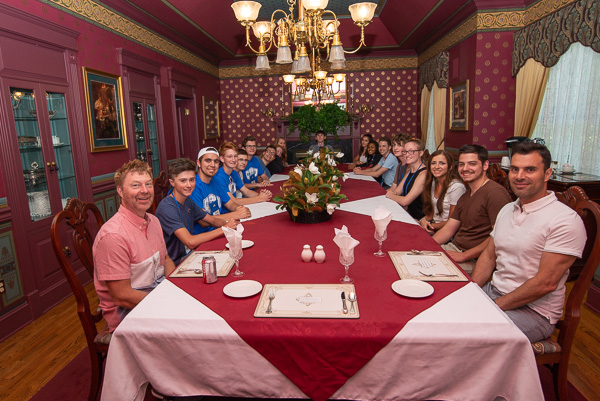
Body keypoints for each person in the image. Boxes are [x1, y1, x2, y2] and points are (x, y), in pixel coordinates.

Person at [472, 142, 586, 341]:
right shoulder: (508, 209)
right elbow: (489, 256)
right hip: (495, 292)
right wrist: (472, 290)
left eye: (530, 170)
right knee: (440, 314)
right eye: (515, 169)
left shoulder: (565, 220)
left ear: (547, 174)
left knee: (465, 335)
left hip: (533, 312)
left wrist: (494, 306)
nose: (519, 176)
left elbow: (546, 283)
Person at [93, 160, 176, 331]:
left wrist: (176, 287)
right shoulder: (113, 236)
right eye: (136, 185)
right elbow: (122, 296)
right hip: (128, 315)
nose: (145, 190)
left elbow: (165, 259)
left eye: (147, 184)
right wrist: (167, 302)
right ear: (120, 191)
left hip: (155, 294)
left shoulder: (153, 221)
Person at [432, 144, 512, 274]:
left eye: (472, 164)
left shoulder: (495, 194)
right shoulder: (466, 194)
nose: (465, 169)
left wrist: (465, 256)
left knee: (424, 271)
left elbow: (498, 237)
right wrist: (427, 246)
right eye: (462, 164)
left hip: (475, 259)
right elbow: (448, 229)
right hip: (455, 248)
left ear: (485, 165)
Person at [155, 158, 239, 265]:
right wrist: (225, 229)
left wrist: (231, 224)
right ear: (172, 182)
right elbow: (190, 242)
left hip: (190, 255)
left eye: (192, 180)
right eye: (183, 181)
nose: (189, 185)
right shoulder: (167, 207)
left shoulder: (188, 201)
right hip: (174, 263)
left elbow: (212, 220)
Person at [189, 147, 251, 234]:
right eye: (208, 160)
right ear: (199, 163)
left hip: (223, 229)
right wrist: (236, 214)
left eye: (216, 161)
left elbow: (230, 203)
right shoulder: (192, 186)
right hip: (205, 237)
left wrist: (239, 208)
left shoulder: (216, 181)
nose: (212, 165)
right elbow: (203, 222)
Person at [419, 150, 466, 233]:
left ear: (450, 167)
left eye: (442, 163)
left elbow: (452, 222)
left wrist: (430, 226)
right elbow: (431, 215)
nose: (436, 167)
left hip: (448, 232)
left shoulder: (456, 187)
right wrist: (423, 220)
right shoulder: (433, 183)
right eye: (433, 163)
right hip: (434, 226)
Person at [385, 139, 427, 219]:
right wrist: (394, 195)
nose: (407, 155)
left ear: (421, 153)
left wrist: (391, 195)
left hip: (419, 219)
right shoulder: (410, 171)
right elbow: (397, 191)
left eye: (411, 151)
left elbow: (405, 201)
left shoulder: (423, 174)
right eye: (405, 151)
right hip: (407, 214)